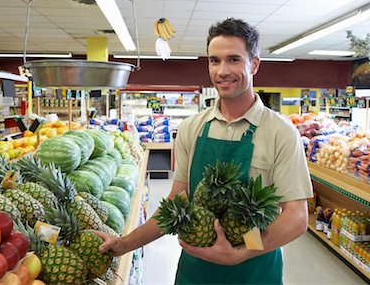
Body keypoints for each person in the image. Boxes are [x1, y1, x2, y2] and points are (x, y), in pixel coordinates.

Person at [93, 18, 313, 284]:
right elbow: (178, 202)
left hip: (255, 271)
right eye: (214, 60)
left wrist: (241, 252)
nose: (222, 71)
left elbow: (297, 216)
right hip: (196, 271)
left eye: (233, 59)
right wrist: (125, 243)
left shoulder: (281, 132)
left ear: (254, 64)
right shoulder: (192, 128)